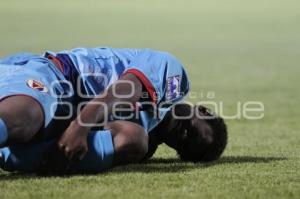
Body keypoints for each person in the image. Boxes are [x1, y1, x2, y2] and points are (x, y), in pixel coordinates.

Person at [0, 47, 227, 174]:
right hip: (55, 77)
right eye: (195, 131)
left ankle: (11, 155)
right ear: (203, 111)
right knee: (26, 117)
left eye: (186, 147)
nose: (184, 136)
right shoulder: (174, 81)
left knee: (134, 139)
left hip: (56, 122)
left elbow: (130, 139)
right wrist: (80, 127)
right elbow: (124, 89)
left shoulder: (145, 142)